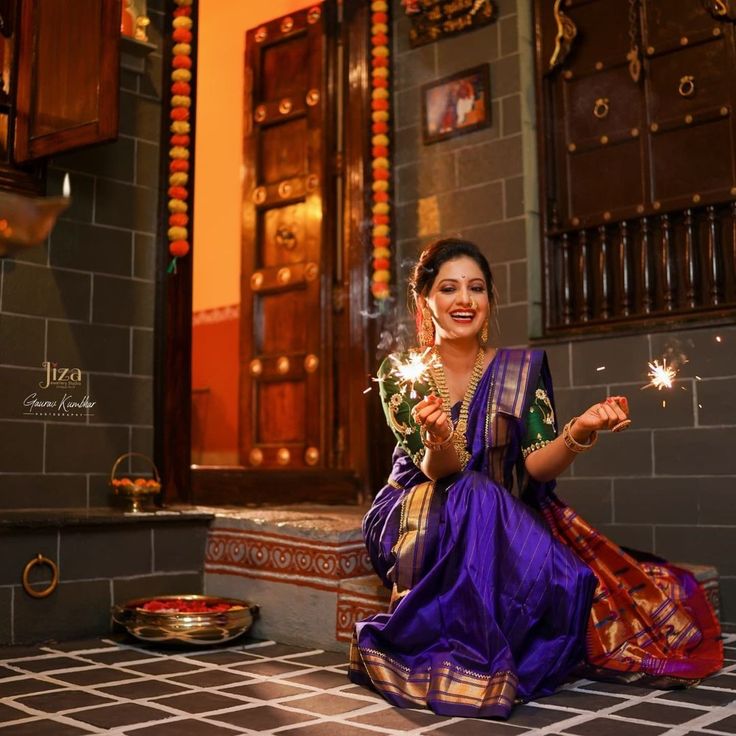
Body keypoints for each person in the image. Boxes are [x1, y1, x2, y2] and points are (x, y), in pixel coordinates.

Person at [349, 238, 723, 719]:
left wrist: (579, 431)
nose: (465, 300)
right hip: (417, 516)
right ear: (425, 300)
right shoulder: (403, 373)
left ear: (490, 299)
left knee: (564, 576)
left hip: (502, 512)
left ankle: (486, 656)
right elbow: (439, 470)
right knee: (470, 492)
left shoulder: (517, 372)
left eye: (477, 288)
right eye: (449, 288)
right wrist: (440, 437)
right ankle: (473, 667)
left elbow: (533, 467)